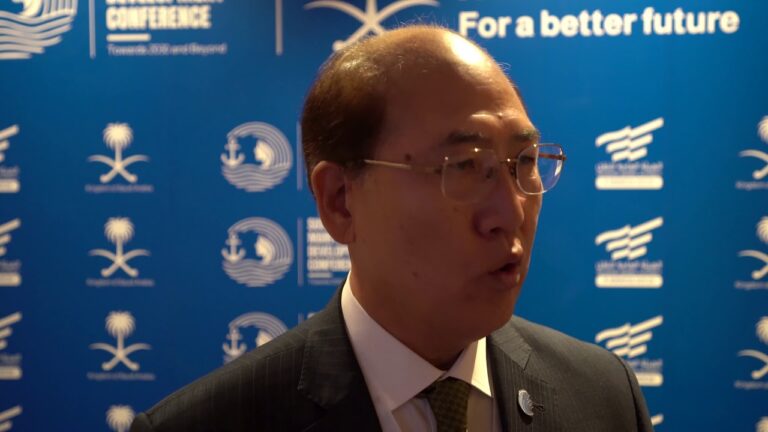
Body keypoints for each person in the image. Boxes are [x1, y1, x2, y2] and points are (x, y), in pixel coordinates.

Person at [131, 25, 653, 432]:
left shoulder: (604, 398)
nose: (511, 212)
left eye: (525, 161)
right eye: (464, 166)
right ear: (340, 201)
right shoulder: (211, 423)